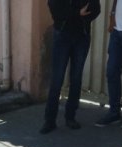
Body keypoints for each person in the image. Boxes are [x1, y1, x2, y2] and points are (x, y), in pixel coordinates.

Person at [41, 0, 102, 134]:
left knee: (76, 78)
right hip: (62, 35)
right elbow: (54, 8)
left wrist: (84, 15)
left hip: (82, 36)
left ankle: (70, 117)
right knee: (57, 79)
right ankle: (50, 120)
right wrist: (77, 13)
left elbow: (96, 9)